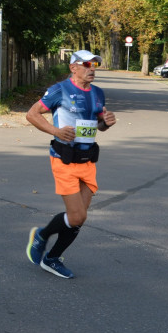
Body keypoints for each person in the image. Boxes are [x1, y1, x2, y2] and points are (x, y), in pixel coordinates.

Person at [24, 50, 117, 280]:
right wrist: (56, 131)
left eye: (95, 64)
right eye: (87, 64)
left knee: (80, 217)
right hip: (64, 158)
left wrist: (105, 123)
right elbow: (32, 114)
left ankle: (51, 256)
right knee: (75, 217)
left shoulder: (98, 93)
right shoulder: (60, 90)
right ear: (73, 67)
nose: (92, 68)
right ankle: (43, 238)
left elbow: (96, 125)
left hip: (88, 160)